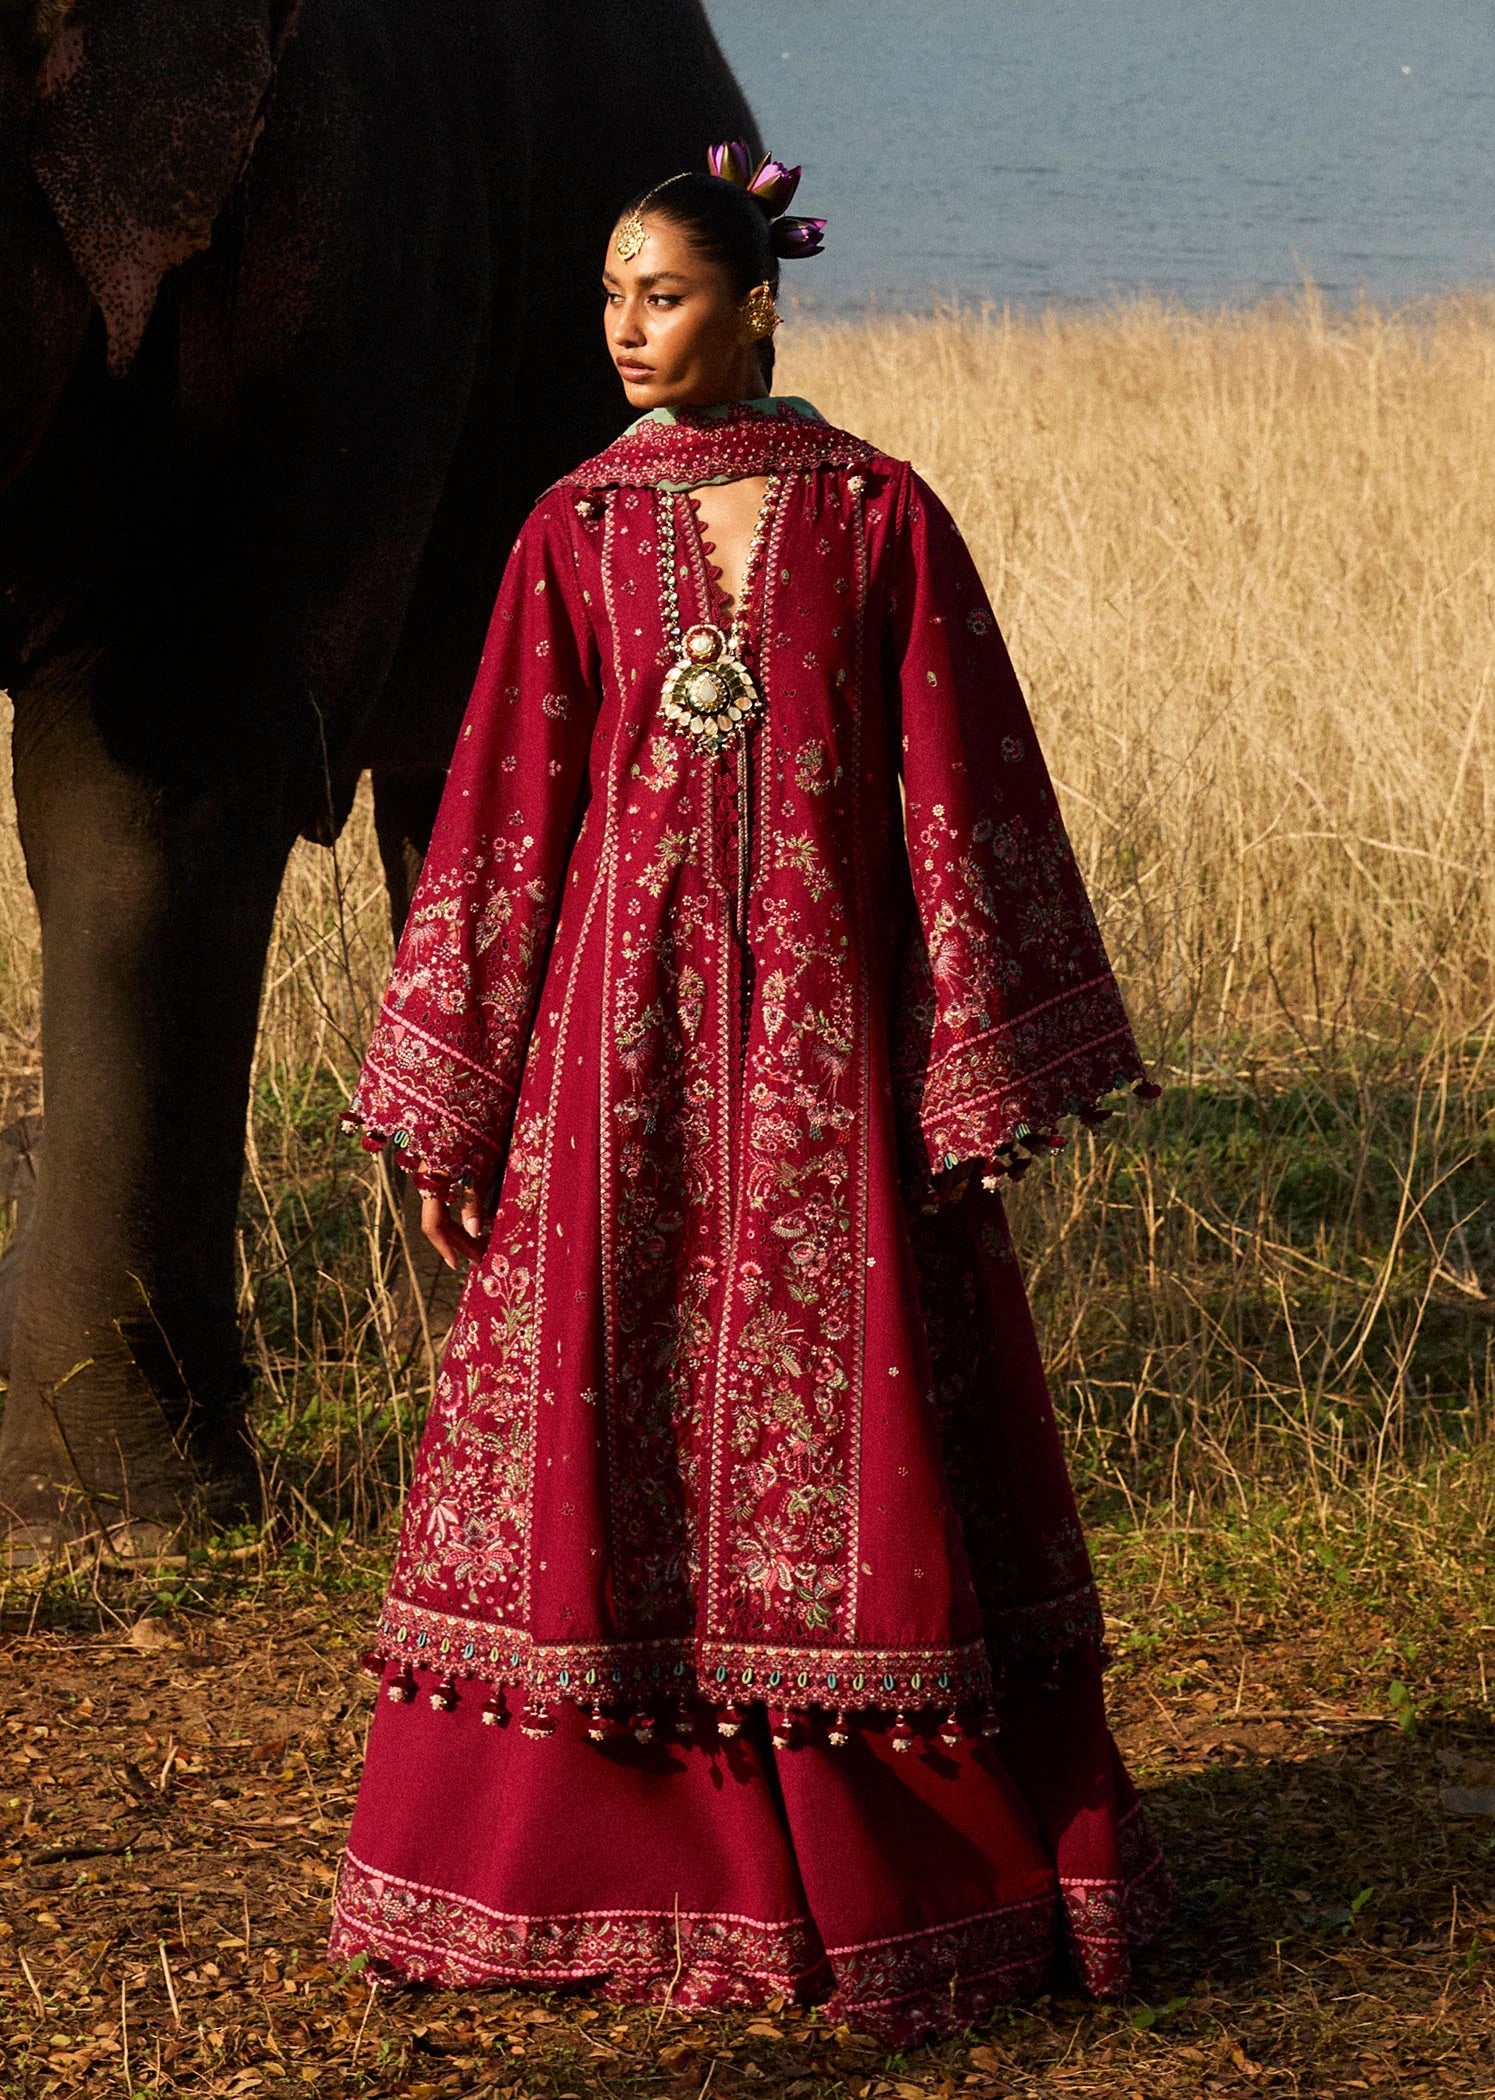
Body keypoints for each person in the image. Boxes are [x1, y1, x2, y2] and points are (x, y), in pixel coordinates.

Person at [329, 141, 1170, 2044]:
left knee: (851, 1430)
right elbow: (502, 820)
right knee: (602, 1429)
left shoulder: (882, 518)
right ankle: (600, 1872)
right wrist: (454, 1095)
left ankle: (905, 1874)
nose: (628, 331)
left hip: (827, 1066)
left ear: (760, 297)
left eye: (667, 294)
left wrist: (980, 1065)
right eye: (611, 296)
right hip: (606, 1070)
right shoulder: (574, 534)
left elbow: (966, 789)